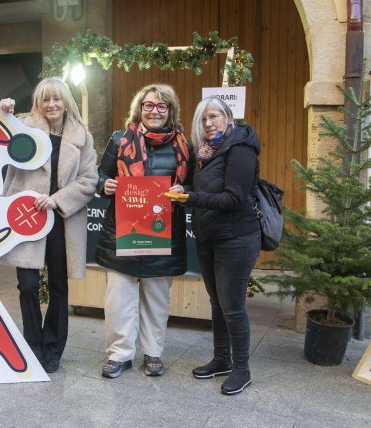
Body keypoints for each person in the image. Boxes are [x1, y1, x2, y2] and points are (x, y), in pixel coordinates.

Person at [0, 78, 97, 373]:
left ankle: (53, 348)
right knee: (27, 285)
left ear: (66, 102)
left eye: (57, 99)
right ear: (38, 103)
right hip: (28, 218)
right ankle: (33, 344)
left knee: (58, 285)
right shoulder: (23, 126)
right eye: (45, 100)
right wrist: (2, 111)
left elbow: (89, 180)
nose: (51, 105)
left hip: (62, 219)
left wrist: (57, 200)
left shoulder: (82, 136)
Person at [95, 84, 192, 379]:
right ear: (139, 109)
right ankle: (119, 354)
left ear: (170, 111)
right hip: (122, 233)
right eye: (149, 105)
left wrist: (183, 189)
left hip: (163, 233)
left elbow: (194, 185)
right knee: (119, 301)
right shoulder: (120, 139)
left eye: (162, 106)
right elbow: (101, 174)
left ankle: (153, 354)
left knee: (156, 299)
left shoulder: (183, 146)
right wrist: (105, 185)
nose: (155, 111)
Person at [167, 97, 261, 395]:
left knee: (233, 306)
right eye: (204, 118)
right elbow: (202, 190)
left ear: (228, 118)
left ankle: (242, 369)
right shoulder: (204, 153)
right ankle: (221, 359)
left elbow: (234, 198)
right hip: (208, 236)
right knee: (218, 303)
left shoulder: (241, 148)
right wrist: (186, 189)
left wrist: (191, 199)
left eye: (215, 116)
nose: (209, 123)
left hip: (237, 238)